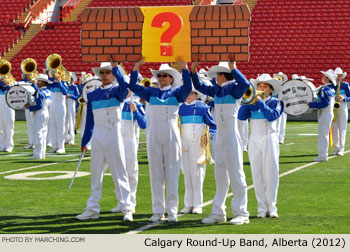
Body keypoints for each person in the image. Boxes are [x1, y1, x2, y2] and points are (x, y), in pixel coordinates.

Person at [127, 57, 192, 223]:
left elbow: (188, 87)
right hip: (153, 134)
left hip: (171, 134)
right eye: (160, 76)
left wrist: (185, 68)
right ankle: (157, 211)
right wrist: (136, 67)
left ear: (171, 78)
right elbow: (133, 86)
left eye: (165, 75)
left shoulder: (177, 93)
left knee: (172, 173)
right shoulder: (151, 93)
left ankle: (172, 212)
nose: (161, 78)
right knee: (155, 173)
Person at [191, 59, 250, 225]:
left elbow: (245, 83)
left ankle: (242, 212)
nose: (215, 77)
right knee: (220, 175)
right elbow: (200, 87)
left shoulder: (234, 88)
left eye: (217, 74)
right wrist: (193, 71)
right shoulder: (217, 89)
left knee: (236, 173)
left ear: (223, 76)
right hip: (220, 136)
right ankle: (218, 212)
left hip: (232, 134)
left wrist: (234, 69)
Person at [76, 62, 133, 222]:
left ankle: (126, 207)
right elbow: (90, 121)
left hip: (114, 133)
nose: (105, 75)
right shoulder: (93, 95)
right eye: (103, 72)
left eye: (108, 72)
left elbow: (125, 85)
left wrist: (116, 68)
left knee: (119, 172)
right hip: (98, 136)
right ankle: (92, 208)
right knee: (95, 174)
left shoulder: (118, 91)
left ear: (113, 75)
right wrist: (85, 141)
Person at [238, 73, 283, 218]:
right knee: (256, 174)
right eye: (259, 85)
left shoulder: (276, 102)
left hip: (270, 137)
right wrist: (247, 102)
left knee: (271, 173)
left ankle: (272, 207)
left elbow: (272, 116)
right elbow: (241, 117)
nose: (261, 88)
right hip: (254, 139)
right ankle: (261, 208)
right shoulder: (251, 101)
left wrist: (260, 102)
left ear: (270, 90)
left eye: (264, 86)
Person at [178, 89, 216, 215]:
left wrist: (207, 137)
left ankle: (197, 204)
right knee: (187, 174)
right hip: (183, 144)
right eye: (187, 93)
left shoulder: (203, 108)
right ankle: (188, 204)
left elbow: (212, 125)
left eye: (191, 94)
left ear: (196, 95)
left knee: (198, 175)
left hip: (198, 144)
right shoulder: (180, 108)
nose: (188, 96)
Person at [111, 89, 147, 214]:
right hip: (116, 140)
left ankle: (131, 203)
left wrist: (136, 110)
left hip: (130, 141)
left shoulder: (135, 104)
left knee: (131, 172)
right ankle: (121, 202)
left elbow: (144, 124)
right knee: (117, 173)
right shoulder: (114, 103)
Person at [308, 69, 336, 162]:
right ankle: (323, 154)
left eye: (324, 76)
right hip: (328, 113)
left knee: (323, 135)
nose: (322, 77)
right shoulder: (330, 88)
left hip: (325, 113)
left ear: (328, 79)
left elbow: (325, 104)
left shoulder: (324, 89)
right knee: (324, 135)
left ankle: (323, 155)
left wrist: (311, 104)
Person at [25, 74, 52, 159]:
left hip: (40, 113)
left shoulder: (39, 92)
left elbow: (39, 105)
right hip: (46, 112)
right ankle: (42, 154)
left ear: (42, 83)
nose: (37, 83)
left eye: (38, 81)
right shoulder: (48, 91)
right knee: (44, 133)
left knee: (38, 133)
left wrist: (30, 107)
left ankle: (37, 154)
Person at [47, 70, 68, 154]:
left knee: (60, 126)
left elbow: (65, 92)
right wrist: (49, 75)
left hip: (60, 105)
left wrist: (59, 82)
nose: (55, 74)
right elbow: (47, 85)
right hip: (52, 105)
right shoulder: (51, 83)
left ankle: (61, 147)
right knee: (52, 126)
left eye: (58, 73)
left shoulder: (64, 82)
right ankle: (54, 146)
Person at [331, 67, 350, 156]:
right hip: (333, 108)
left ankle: (341, 148)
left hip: (342, 107)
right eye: (337, 75)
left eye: (339, 75)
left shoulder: (346, 85)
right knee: (334, 129)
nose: (338, 77)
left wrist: (344, 98)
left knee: (342, 128)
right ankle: (336, 147)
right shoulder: (332, 86)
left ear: (342, 76)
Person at [0, 76, 15, 152]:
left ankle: (9, 145)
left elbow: (12, 90)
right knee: (1, 127)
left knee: (9, 126)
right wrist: (2, 82)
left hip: (9, 105)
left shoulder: (11, 81)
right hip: (0, 105)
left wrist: (7, 84)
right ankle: (2, 145)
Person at [21, 73, 36, 149]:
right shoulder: (24, 82)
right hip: (26, 105)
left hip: (34, 105)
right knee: (29, 125)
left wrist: (34, 84)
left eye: (30, 74)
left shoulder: (36, 82)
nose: (28, 76)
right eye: (27, 74)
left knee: (34, 125)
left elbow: (36, 91)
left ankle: (35, 143)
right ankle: (31, 142)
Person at [65, 73, 80, 145]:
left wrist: (70, 96)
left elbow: (77, 97)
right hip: (64, 104)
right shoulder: (65, 86)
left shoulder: (74, 87)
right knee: (65, 122)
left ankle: (71, 139)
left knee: (71, 121)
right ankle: (65, 138)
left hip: (71, 104)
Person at [273, 72, 288, 144]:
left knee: (282, 123)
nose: (279, 79)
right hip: (276, 105)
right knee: (276, 123)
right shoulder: (274, 88)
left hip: (284, 106)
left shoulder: (285, 87)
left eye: (280, 78)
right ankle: (276, 137)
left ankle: (281, 138)